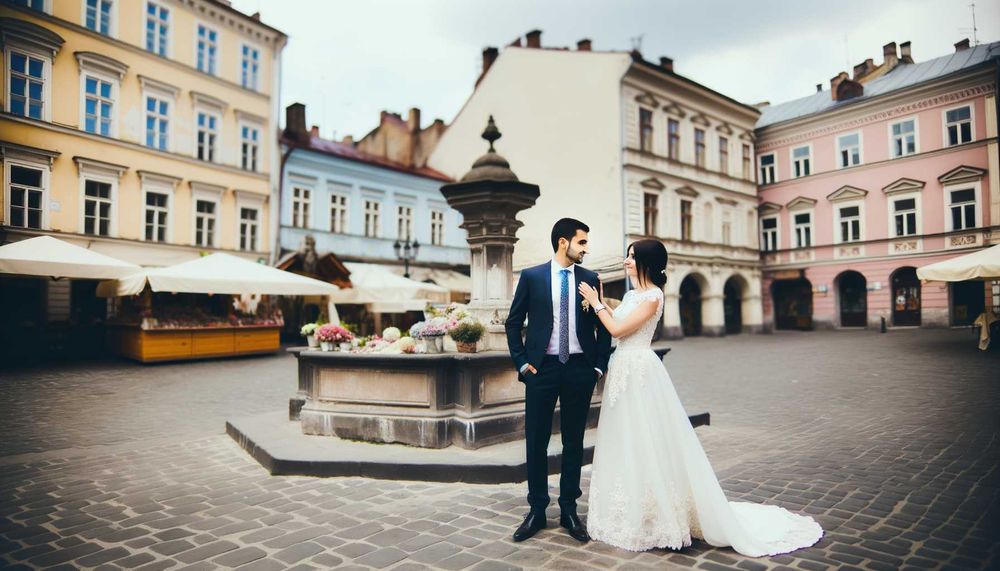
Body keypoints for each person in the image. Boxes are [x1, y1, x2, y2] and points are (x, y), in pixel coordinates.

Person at [577, 239, 823, 556]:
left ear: (646, 263)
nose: (626, 261)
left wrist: (596, 303)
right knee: (627, 437)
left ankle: (660, 511)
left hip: (640, 368)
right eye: (626, 255)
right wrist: (601, 302)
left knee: (647, 435)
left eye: (631, 257)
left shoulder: (654, 296)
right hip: (622, 370)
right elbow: (616, 317)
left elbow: (617, 330)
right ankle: (633, 508)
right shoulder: (630, 295)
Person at [504, 218, 611, 543]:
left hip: (579, 369)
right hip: (542, 370)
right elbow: (513, 323)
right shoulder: (533, 277)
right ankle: (537, 509)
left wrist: (597, 367)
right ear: (563, 242)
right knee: (535, 441)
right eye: (581, 242)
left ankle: (568, 509)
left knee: (574, 442)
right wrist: (523, 364)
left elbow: (603, 324)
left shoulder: (590, 278)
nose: (586, 249)